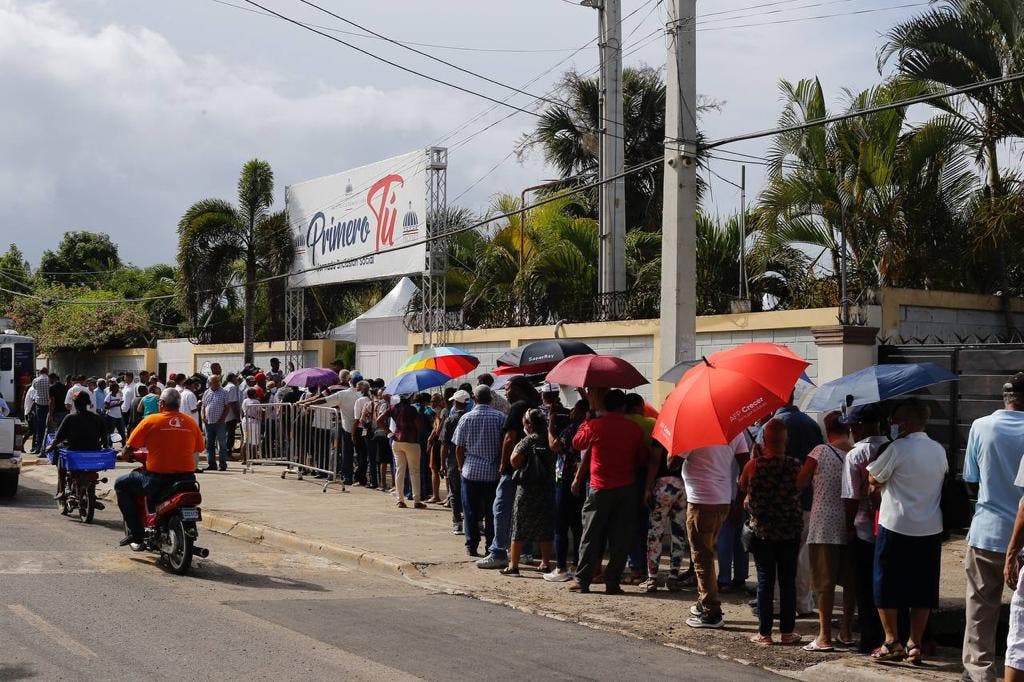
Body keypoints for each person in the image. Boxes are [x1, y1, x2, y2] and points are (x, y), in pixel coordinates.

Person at [866, 399, 947, 664]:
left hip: (896, 525)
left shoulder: (898, 448)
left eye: (896, 421)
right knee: (922, 588)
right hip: (930, 527)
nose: (893, 426)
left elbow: (873, 477)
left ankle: (891, 641)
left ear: (907, 423)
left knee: (885, 583)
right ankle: (915, 643)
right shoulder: (938, 450)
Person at [962, 373, 1024, 681]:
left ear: (1004, 397)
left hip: (987, 531)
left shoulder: (980, 426)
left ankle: (979, 672)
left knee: (980, 608)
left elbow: (971, 478)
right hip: (1022, 535)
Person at [568, 389, 649, 595]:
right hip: (626, 488)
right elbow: (640, 458)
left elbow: (577, 443)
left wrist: (587, 420)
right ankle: (612, 582)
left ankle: (583, 580)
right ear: (623, 407)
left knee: (590, 536)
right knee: (620, 538)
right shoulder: (634, 429)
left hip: (600, 487)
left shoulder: (595, 426)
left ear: (605, 406)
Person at [739, 418, 803, 646]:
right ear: (786, 440)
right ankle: (787, 632)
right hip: (789, 531)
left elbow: (742, 486)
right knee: (787, 581)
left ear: (764, 440)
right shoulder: (796, 465)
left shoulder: (753, 466)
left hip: (763, 532)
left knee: (765, 581)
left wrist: (755, 459)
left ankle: (764, 633)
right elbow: (801, 487)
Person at [677, 431, 751, 628]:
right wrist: (739, 496)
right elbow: (746, 462)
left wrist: (674, 447)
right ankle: (704, 602)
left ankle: (711, 611)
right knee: (707, 553)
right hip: (723, 499)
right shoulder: (735, 430)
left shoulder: (693, 432)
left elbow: (672, 463)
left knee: (703, 557)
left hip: (702, 501)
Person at [115, 388, 204, 548]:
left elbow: (128, 448)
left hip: (158, 479)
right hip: (188, 479)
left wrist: (125, 455)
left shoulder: (151, 420)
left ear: (161, 404)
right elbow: (199, 448)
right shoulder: (191, 422)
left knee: (120, 484)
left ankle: (136, 533)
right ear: (179, 404)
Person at [797, 410, 855, 652]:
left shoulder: (819, 452)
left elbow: (799, 482)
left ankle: (824, 636)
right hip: (852, 523)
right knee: (850, 581)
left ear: (827, 431)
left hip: (823, 524)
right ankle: (846, 631)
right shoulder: (856, 452)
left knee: (824, 582)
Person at [839, 403, 888, 654]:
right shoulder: (892, 447)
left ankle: (870, 636)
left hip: (863, 529)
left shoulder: (855, 455)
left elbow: (850, 497)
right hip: (890, 527)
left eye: (852, 426)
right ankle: (890, 635)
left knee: (864, 586)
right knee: (888, 584)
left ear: (859, 426)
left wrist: (846, 528)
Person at [477, 376, 540, 570]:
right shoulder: (534, 405)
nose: (505, 391)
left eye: (508, 387)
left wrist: (503, 463)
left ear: (518, 389)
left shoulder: (517, 408)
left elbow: (509, 437)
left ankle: (498, 552)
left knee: (501, 508)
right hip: (533, 468)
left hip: (514, 466)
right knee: (523, 510)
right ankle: (525, 552)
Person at [772, 393, 825, 615]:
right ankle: (803, 603)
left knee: (777, 555)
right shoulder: (812, 424)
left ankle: (779, 603)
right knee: (803, 553)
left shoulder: (773, 426)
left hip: (780, 503)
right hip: (808, 498)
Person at [452, 385, 506, 556]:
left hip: (471, 472)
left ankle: (471, 545)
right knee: (492, 512)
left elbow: (459, 448)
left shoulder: (466, 418)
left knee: (469, 511)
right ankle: (491, 544)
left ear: (474, 399)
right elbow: (505, 444)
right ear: (490, 399)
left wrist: (461, 467)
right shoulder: (500, 418)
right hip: (493, 473)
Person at [502, 408, 556, 576]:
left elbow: (514, 461)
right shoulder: (550, 439)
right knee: (544, 527)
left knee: (518, 526)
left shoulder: (529, 440)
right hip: (547, 488)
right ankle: (545, 563)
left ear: (529, 424)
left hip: (527, 488)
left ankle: (513, 566)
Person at [545, 399, 588, 583]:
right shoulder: (587, 429)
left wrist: (550, 427)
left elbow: (554, 446)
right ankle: (576, 564)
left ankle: (561, 567)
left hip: (565, 479)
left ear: (580, 412)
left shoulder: (571, 430)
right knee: (578, 525)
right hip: (582, 480)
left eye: (575, 409)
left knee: (561, 525)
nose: (571, 412)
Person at [641, 425, 687, 593]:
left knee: (656, 532)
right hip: (684, 486)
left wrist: (647, 488)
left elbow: (654, 462)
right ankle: (673, 577)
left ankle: (652, 578)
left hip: (663, 486)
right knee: (679, 533)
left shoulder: (661, 432)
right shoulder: (689, 432)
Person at [48, 390, 110, 501]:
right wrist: (104, 446)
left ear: (75, 404)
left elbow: (58, 437)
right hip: (93, 454)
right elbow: (106, 439)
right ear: (87, 403)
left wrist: (50, 447)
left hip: (74, 453)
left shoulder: (70, 418)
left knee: (60, 463)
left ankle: (62, 491)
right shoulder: (98, 418)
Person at [441, 390, 471, 534]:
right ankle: (476, 523)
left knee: (454, 492)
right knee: (471, 493)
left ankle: (457, 523)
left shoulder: (450, 420)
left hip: (453, 460)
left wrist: (442, 463)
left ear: (455, 403)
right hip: (470, 460)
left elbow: (445, 444)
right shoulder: (470, 418)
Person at [389, 393, 425, 509]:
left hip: (397, 440)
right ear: (410, 397)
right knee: (414, 472)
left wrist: (389, 433)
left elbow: (380, 419)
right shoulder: (412, 409)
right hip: (411, 441)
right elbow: (419, 426)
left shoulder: (394, 407)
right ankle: (417, 500)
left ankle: (400, 500)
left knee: (400, 470)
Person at [202, 375, 231, 472]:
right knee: (209, 444)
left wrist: (222, 419)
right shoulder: (207, 392)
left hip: (219, 423)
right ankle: (211, 464)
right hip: (208, 423)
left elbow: (227, 407)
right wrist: (203, 416)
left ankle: (222, 464)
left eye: (217, 381)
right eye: (214, 382)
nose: (216, 383)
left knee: (222, 444)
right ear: (210, 383)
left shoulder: (224, 392)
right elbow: (203, 405)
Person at [425, 392, 447, 503]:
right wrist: (430, 437)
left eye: (434, 401)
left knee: (437, 469)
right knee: (434, 468)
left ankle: (437, 496)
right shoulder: (437, 413)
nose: (432, 404)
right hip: (436, 441)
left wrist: (433, 436)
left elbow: (439, 428)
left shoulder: (443, 412)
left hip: (440, 441)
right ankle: (436, 495)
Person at [352, 381, 372, 486]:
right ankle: (365, 478)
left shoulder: (359, 401)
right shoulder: (371, 400)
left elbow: (356, 419)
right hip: (369, 429)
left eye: (357, 388)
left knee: (360, 455)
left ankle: (360, 478)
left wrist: (353, 433)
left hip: (360, 429)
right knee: (366, 455)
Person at [29, 367, 50, 454]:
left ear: (40, 372)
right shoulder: (49, 380)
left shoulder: (36, 380)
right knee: (48, 427)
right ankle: (46, 448)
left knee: (40, 427)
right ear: (47, 372)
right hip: (49, 405)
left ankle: (38, 448)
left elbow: (33, 389)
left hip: (39, 406)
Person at [241, 388, 262, 465]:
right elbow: (259, 411)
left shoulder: (244, 401)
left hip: (245, 421)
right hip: (253, 422)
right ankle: (254, 459)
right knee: (254, 440)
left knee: (246, 440)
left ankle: (244, 459)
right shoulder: (256, 401)